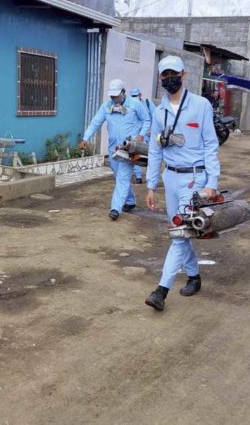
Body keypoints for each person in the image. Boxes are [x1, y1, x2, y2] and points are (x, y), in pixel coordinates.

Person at [144, 56, 221, 311]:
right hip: (171, 178)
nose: (169, 79)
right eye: (165, 75)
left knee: (178, 234)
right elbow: (155, 151)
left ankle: (161, 291)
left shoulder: (200, 106)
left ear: (184, 74)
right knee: (181, 231)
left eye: (173, 74)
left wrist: (212, 182)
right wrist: (151, 185)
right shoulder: (159, 112)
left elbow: (211, 144)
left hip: (194, 178)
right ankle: (194, 276)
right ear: (160, 79)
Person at [80, 79, 150, 220]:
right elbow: (95, 122)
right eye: (112, 96)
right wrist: (86, 138)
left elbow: (147, 120)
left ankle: (115, 209)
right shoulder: (106, 106)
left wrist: (141, 136)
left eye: (116, 96)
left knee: (123, 178)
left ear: (123, 92)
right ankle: (130, 201)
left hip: (130, 148)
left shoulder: (135, 104)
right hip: (113, 150)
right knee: (119, 177)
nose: (114, 99)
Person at [129, 87, 157, 184]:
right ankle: (139, 177)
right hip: (137, 134)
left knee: (151, 155)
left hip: (149, 134)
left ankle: (151, 177)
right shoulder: (131, 105)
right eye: (133, 96)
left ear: (140, 95)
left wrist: (153, 130)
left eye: (136, 95)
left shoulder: (148, 103)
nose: (135, 98)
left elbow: (156, 117)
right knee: (136, 154)